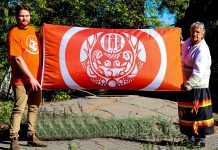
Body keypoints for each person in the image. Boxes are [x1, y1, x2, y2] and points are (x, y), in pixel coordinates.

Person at [7, 4, 47, 150]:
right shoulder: (14, 33)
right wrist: (30, 77)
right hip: (22, 79)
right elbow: (18, 58)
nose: (25, 18)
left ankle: (31, 136)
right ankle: (14, 139)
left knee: (34, 107)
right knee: (19, 109)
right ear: (17, 17)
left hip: (37, 79)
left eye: (27, 15)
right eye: (22, 15)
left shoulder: (34, 31)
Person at [178, 21, 214, 147]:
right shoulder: (188, 41)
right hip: (186, 84)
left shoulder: (202, 50)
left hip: (198, 86)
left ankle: (200, 140)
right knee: (187, 114)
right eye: (193, 31)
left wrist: (189, 84)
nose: (194, 34)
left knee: (198, 115)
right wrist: (177, 40)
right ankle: (190, 139)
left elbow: (198, 71)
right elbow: (182, 46)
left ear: (203, 34)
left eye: (197, 32)